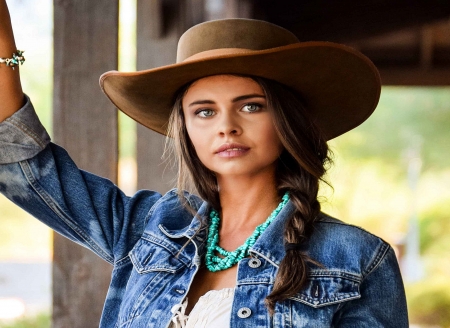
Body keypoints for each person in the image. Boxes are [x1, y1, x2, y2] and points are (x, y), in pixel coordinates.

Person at [0, 1, 408, 327]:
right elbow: (23, 167)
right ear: (186, 130)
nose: (226, 127)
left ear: (287, 122)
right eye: (204, 112)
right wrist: (5, 52)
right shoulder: (149, 228)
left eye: (251, 106)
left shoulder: (357, 259)